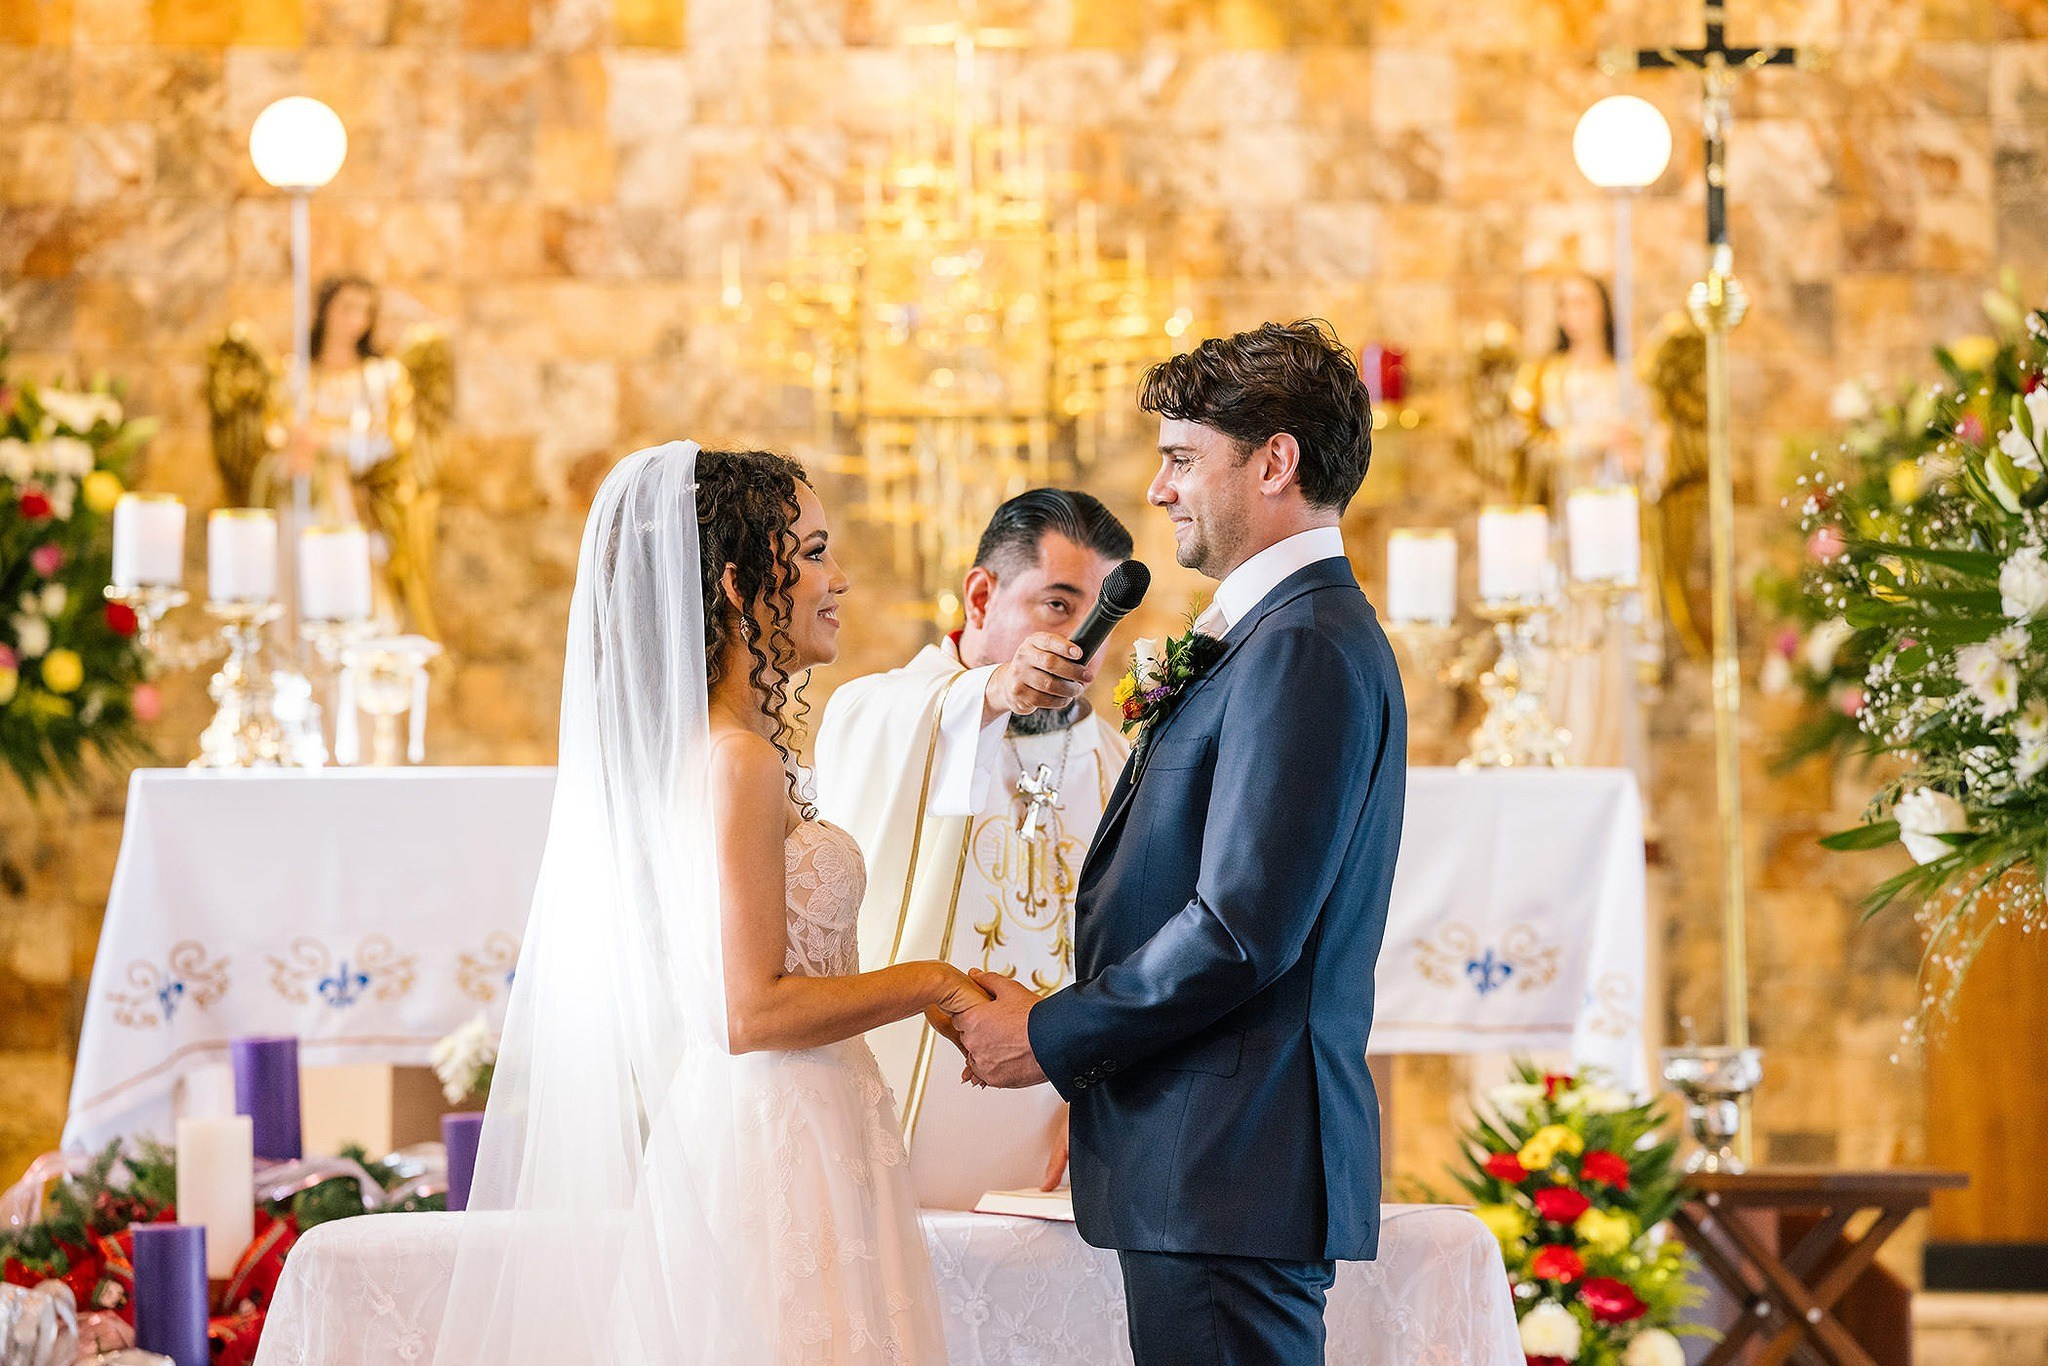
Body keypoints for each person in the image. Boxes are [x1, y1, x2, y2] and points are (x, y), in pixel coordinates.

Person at [433, 443, 980, 1365]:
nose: (839, 580)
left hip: (800, 1119)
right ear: (736, 583)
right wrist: (933, 983)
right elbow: (748, 1010)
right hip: (780, 1134)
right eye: (813, 554)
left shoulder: (723, 750)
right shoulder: (738, 762)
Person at [948, 321, 1409, 1366]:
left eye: (1182, 458)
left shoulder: (1301, 643)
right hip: (1211, 1167)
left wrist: (1052, 1035)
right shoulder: (1275, 631)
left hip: (1227, 1164)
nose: (1158, 490)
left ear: (1274, 461)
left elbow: (1241, 930)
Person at [814, 489, 1133, 1208]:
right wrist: (996, 689)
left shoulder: (1118, 764)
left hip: (1059, 1149)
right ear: (982, 597)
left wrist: (1113, 1091)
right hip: (889, 1131)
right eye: (1058, 606)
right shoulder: (887, 711)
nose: (1083, 647)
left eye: (1103, 617)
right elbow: (875, 723)